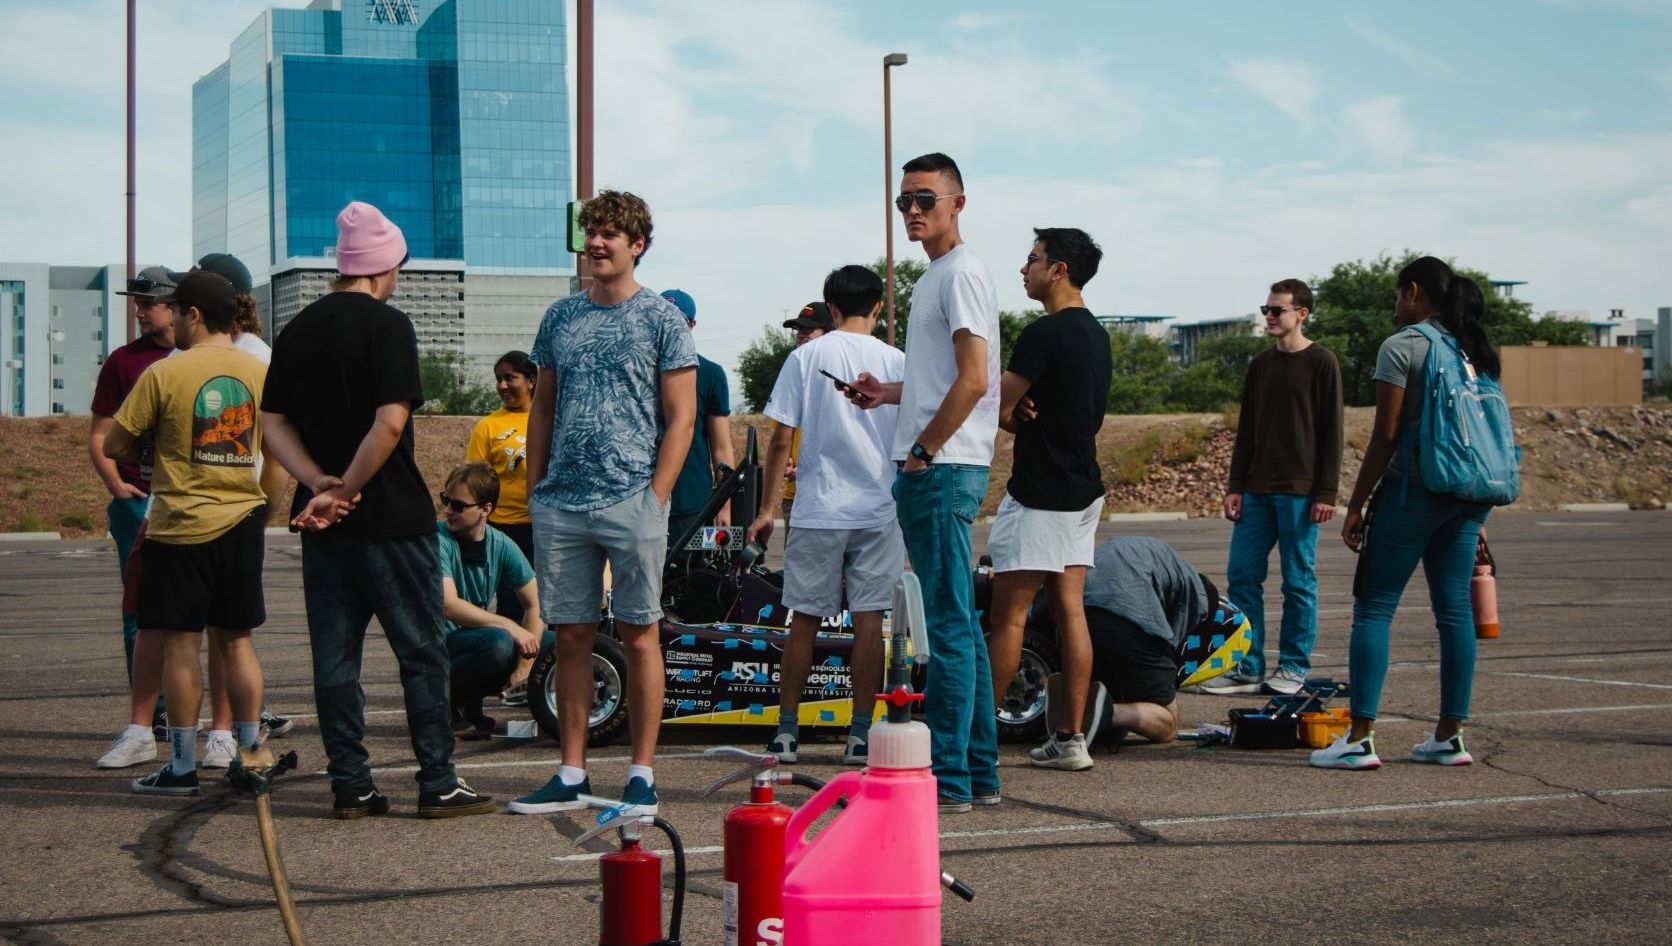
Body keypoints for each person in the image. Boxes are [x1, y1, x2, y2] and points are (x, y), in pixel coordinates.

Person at [261, 200, 494, 818]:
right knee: (421, 652)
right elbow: (390, 424)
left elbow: (272, 423)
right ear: (386, 264)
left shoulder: (298, 330)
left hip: (324, 528)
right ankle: (438, 781)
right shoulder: (388, 326)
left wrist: (318, 484)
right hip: (392, 519)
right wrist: (349, 487)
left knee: (336, 660)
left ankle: (351, 784)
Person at [509, 190, 697, 816]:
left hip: (630, 499)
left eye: (610, 234)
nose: (596, 243)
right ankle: (571, 772)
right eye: (591, 232)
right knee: (570, 638)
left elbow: (682, 418)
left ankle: (642, 774)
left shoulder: (663, 320)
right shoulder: (560, 317)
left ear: (637, 245)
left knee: (641, 636)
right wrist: (538, 491)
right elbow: (542, 407)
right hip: (562, 503)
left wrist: (656, 496)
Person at [848, 152, 1000, 814]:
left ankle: (955, 778)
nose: (913, 211)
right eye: (904, 201)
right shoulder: (939, 276)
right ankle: (981, 773)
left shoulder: (961, 272)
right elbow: (944, 379)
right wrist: (889, 394)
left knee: (947, 623)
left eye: (925, 199)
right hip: (939, 463)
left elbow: (975, 377)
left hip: (941, 468)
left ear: (957, 204)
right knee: (959, 621)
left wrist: (922, 448)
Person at [1313, 258, 1498, 770]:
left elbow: (1386, 435)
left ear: (1413, 292)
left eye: (1398, 296)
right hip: (1467, 493)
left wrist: (1357, 504)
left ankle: (1360, 738)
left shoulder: (1404, 346)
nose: (1395, 306)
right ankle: (1449, 735)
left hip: (1413, 491)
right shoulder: (1473, 348)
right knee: (1454, 612)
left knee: (1374, 609)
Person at [102, 271, 271, 796]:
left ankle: (180, 766)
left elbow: (115, 444)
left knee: (180, 646)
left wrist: (154, 446)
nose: (169, 318)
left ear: (194, 314)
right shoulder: (261, 370)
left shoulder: (164, 373)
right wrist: (266, 506)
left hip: (178, 525)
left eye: (174, 311)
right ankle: (250, 756)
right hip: (243, 519)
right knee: (237, 643)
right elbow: (283, 448)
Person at [747, 265, 906, 765]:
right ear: (877, 308)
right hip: (879, 508)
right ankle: (861, 734)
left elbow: (779, 439)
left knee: (804, 621)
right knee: (867, 622)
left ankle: (787, 732)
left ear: (831, 308)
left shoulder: (806, 355)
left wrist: (767, 508)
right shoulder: (899, 361)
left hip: (818, 507)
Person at [987, 227, 1113, 772]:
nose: (1023, 268)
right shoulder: (1096, 334)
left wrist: (1014, 412)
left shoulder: (1045, 333)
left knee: (1008, 618)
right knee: (1069, 611)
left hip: (1040, 494)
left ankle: (973, 744)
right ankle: (1070, 738)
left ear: (1058, 269)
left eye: (1032, 259)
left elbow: (997, 407)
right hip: (1082, 488)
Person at [1203, 278, 1343, 697]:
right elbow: (1246, 430)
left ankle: (1293, 667)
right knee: (1242, 576)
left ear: (1301, 313)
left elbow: (1332, 432)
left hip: (1300, 492)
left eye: (1277, 310)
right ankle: (1247, 666)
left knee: (1298, 582)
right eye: (1266, 309)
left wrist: (1326, 493)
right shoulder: (1260, 365)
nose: (1269, 316)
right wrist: (1235, 485)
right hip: (1256, 490)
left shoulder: (1323, 362)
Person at [90, 267, 175, 769]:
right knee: (137, 608)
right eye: (136, 302)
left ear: (176, 305)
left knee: (208, 609)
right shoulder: (124, 362)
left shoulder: (196, 356)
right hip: (136, 498)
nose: (140, 310)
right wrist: (114, 483)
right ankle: (152, 714)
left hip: (187, 497)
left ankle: (231, 716)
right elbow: (100, 431)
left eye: (148, 302)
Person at [435, 462, 542, 738]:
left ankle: (554, 713)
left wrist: (525, 667)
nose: (447, 510)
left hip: (475, 642)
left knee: (555, 643)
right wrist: (510, 625)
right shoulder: (437, 538)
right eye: (446, 500)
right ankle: (446, 701)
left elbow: (535, 603)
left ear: (486, 509)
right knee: (500, 641)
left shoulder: (501, 543)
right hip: (437, 651)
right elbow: (448, 605)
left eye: (458, 505)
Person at [663, 288, 736, 547]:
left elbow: (721, 446)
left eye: (676, 321)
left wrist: (724, 506)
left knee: (693, 581)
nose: (668, 327)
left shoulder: (711, 374)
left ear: (691, 324)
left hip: (693, 503)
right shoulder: (636, 370)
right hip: (641, 502)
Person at [777, 302, 834, 533]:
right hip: (795, 496)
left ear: (828, 333)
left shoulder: (836, 377)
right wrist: (789, 462)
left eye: (808, 330)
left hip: (827, 496)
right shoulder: (794, 369)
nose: (801, 335)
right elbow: (783, 436)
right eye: (798, 330)